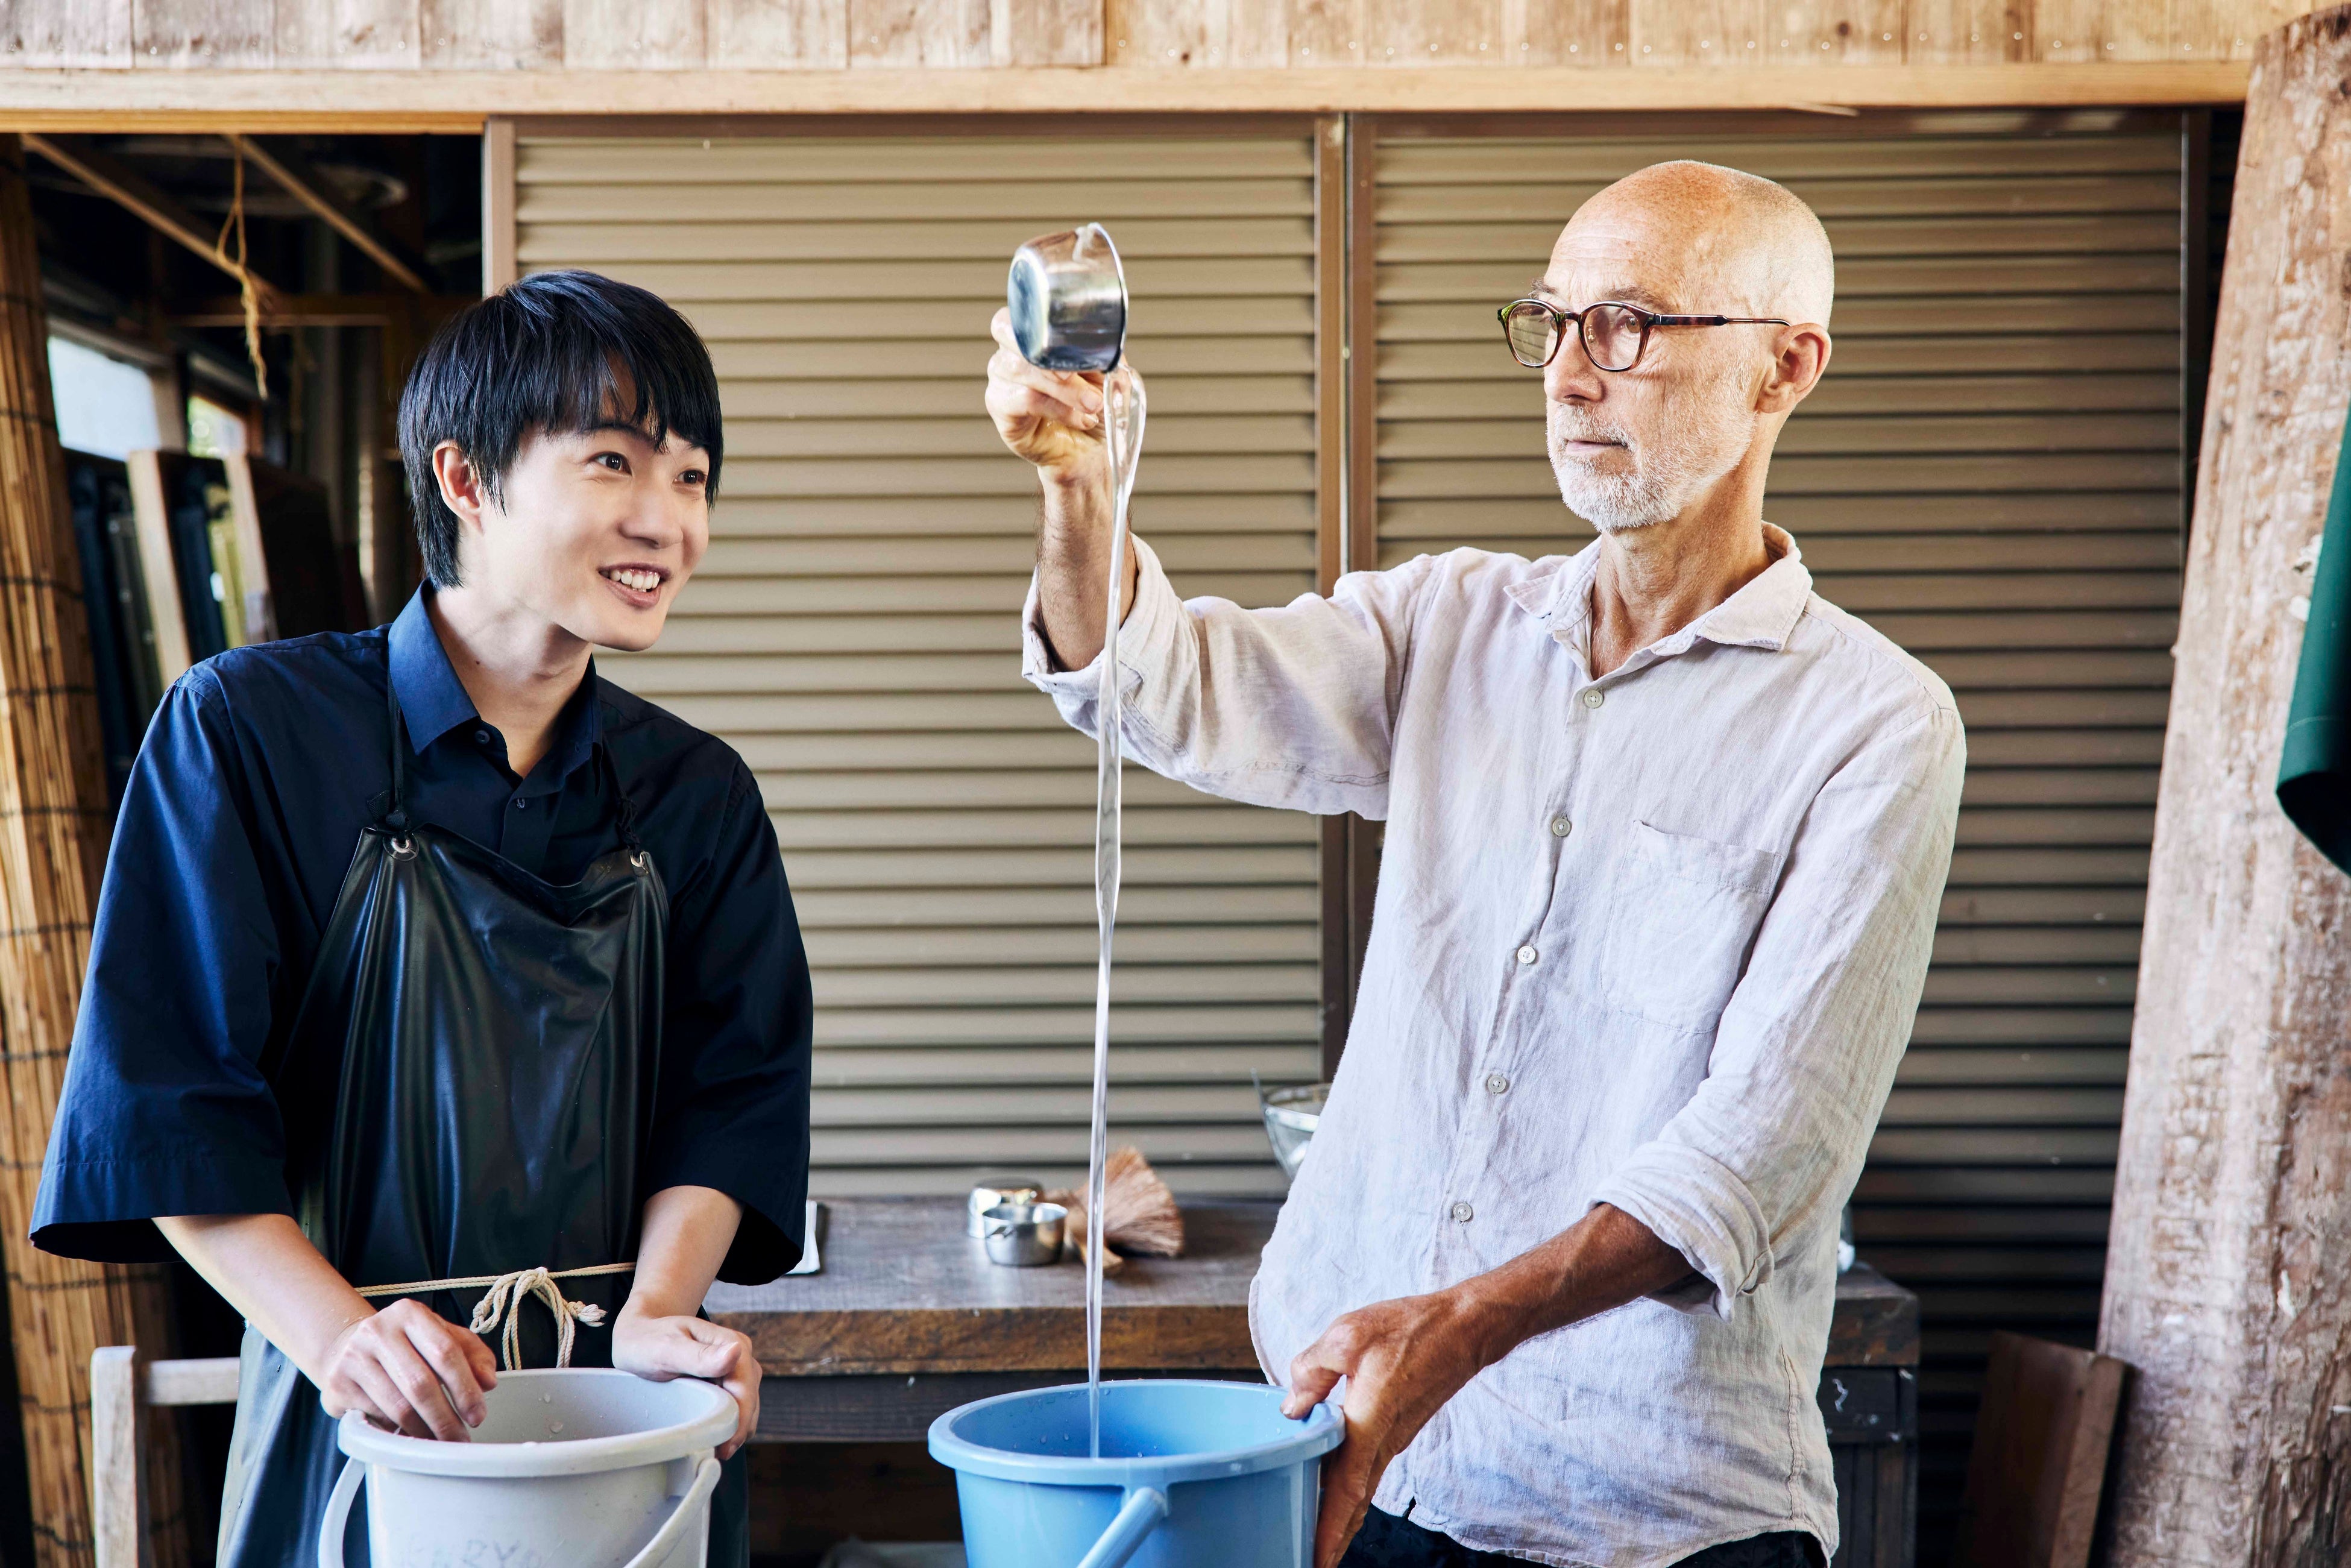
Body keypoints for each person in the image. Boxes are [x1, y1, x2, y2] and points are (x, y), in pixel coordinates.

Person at [986, 162, 1964, 1568]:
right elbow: (1156, 683)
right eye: (1552, 322)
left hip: (1652, 1513)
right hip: (1357, 1456)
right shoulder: (1454, 621)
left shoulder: (1874, 722)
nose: (1569, 375)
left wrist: (1457, 1323)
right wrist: (1079, 489)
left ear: (1784, 369)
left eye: (1625, 326)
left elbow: (1758, 1155)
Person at [33, 270, 812, 1566]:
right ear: (463, 477)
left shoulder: (699, 796)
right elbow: (171, 1110)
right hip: (361, 1425)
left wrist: (656, 1312)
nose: (668, 521)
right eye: (615, 461)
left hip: (620, 1430)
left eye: (692, 477)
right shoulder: (248, 733)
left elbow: (734, 1097)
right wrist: (350, 1336)